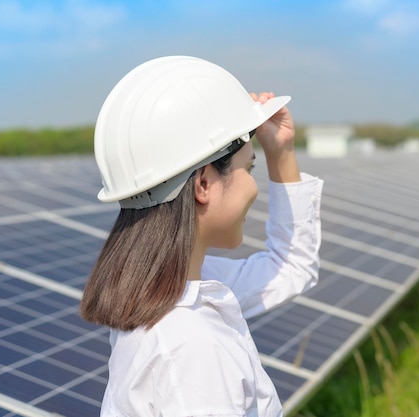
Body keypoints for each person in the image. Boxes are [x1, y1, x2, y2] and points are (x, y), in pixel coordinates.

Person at [81, 56, 323, 417]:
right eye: (249, 168)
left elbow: (290, 268)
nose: (253, 187)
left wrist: (281, 152)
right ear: (204, 183)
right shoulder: (192, 349)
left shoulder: (161, 289)